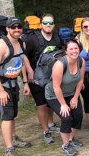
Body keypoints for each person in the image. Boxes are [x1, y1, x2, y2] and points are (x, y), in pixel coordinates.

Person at [0, 17, 32, 156]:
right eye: (13, 27)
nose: (17, 29)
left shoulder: (21, 42)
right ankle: (9, 150)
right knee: (7, 116)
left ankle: (13, 139)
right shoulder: (1, 46)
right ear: (7, 29)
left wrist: (25, 82)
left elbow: (21, 62)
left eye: (19, 27)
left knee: (13, 113)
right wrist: (0, 90)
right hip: (2, 85)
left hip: (14, 83)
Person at [23, 13, 61, 144]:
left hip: (52, 76)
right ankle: (46, 131)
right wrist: (28, 73)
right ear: (40, 25)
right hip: (36, 78)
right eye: (45, 23)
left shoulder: (57, 38)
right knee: (42, 105)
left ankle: (51, 124)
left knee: (51, 101)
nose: (48, 25)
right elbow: (23, 57)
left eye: (50, 23)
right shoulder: (32, 39)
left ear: (54, 25)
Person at [45, 40, 85, 156]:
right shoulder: (60, 64)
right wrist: (63, 104)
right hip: (54, 95)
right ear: (66, 51)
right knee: (66, 117)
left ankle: (71, 139)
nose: (74, 51)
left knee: (78, 115)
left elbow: (80, 81)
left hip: (71, 93)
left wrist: (75, 97)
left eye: (76, 48)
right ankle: (65, 144)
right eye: (71, 49)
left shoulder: (81, 61)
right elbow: (56, 86)